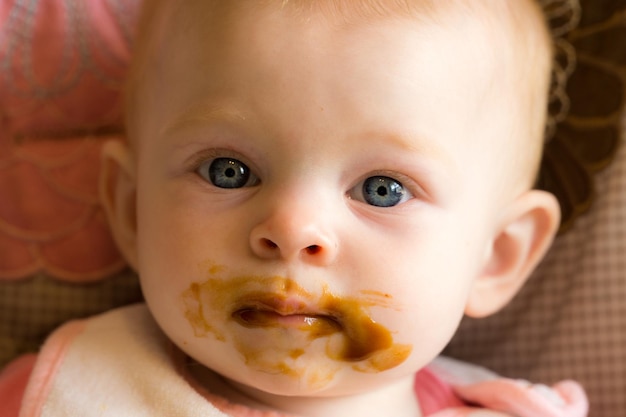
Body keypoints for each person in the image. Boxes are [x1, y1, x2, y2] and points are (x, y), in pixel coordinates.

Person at [0, 0, 589, 416]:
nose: (291, 228)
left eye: (383, 188)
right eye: (228, 171)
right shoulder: (58, 393)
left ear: (496, 256)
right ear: (132, 212)